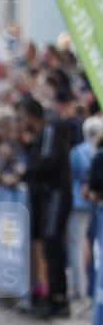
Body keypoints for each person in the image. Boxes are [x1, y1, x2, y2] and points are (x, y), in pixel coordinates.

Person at [19, 97, 73, 318]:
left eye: (23, 116)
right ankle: (52, 295)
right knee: (49, 245)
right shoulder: (43, 133)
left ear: (31, 115)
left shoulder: (50, 129)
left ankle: (59, 298)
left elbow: (47, 161)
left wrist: (24, 172)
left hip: (56, 194)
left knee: (53, 244)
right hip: (47, 196)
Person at [68, 115, 102, 301]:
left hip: (80, 202)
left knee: (79, 245)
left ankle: (80, 288)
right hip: (93, 203)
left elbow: (71, 175)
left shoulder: (78, 151)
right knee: (93, 245)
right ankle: (90, 287)